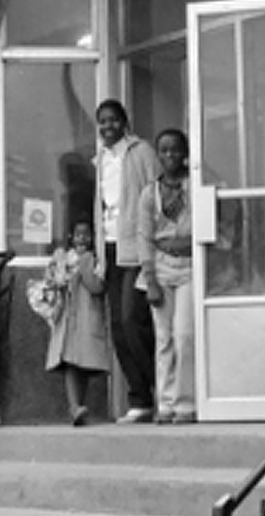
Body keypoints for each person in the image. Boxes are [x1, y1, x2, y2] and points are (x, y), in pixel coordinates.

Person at [94, 99, 159, 423]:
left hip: (136, 246)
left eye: (113, 120)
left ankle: (161, 387)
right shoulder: (101, 159)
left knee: (134, 319)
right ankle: (140, 399)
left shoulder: (141, 152)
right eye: (102, 122)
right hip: (109, 246)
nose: (108, 127)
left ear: (124, 122)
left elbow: (157, 192)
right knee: (118, 327)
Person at [138, 128, 195, 424]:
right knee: (164, 339)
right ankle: (166, 403)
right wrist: (150, 281)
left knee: (184, 335)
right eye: (164, 150)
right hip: (160, 268)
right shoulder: (150, 193)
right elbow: (143, 238)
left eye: (176, 150)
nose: (170, 155)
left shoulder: (194, 186)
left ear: (185, 153)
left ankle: (186, 403)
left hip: (189, 267)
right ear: (157, 155)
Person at [44, 220, 109, 426]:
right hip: (67, 318)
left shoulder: (94, 260)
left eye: (86, 234)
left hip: (87, 318)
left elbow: (97, 287)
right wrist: (60, 273)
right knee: (70, 362)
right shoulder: (63, 258)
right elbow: (53, 281)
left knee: (84, 364)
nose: (82, 238)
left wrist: (83, 269)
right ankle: (74, 406)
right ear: (71, 237)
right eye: (78, 234)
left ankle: (80, 406)